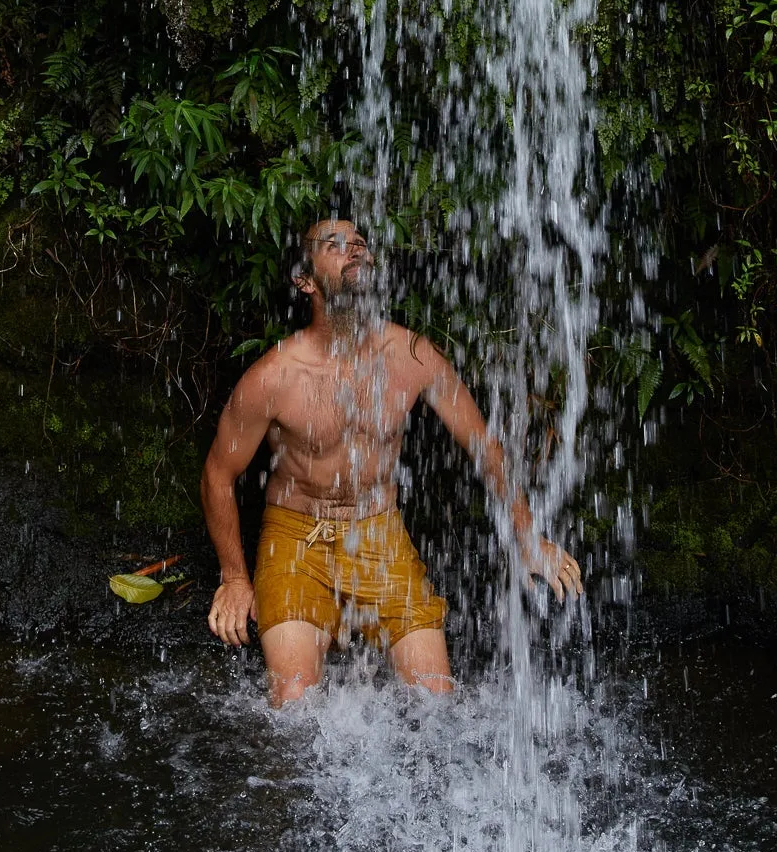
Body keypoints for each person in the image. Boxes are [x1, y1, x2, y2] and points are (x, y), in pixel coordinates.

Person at [201, 216, 584, 704]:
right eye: (336, 245)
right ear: (305, 279)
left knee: (438, 699)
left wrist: (528, 536)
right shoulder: (274, 375)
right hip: (296, 540)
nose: (355, 249)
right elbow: (218, 474)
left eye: (360, 243)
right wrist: (234, 578)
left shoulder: (411, 355)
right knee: (293, 704)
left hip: (379, 533)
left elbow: (484, 446)